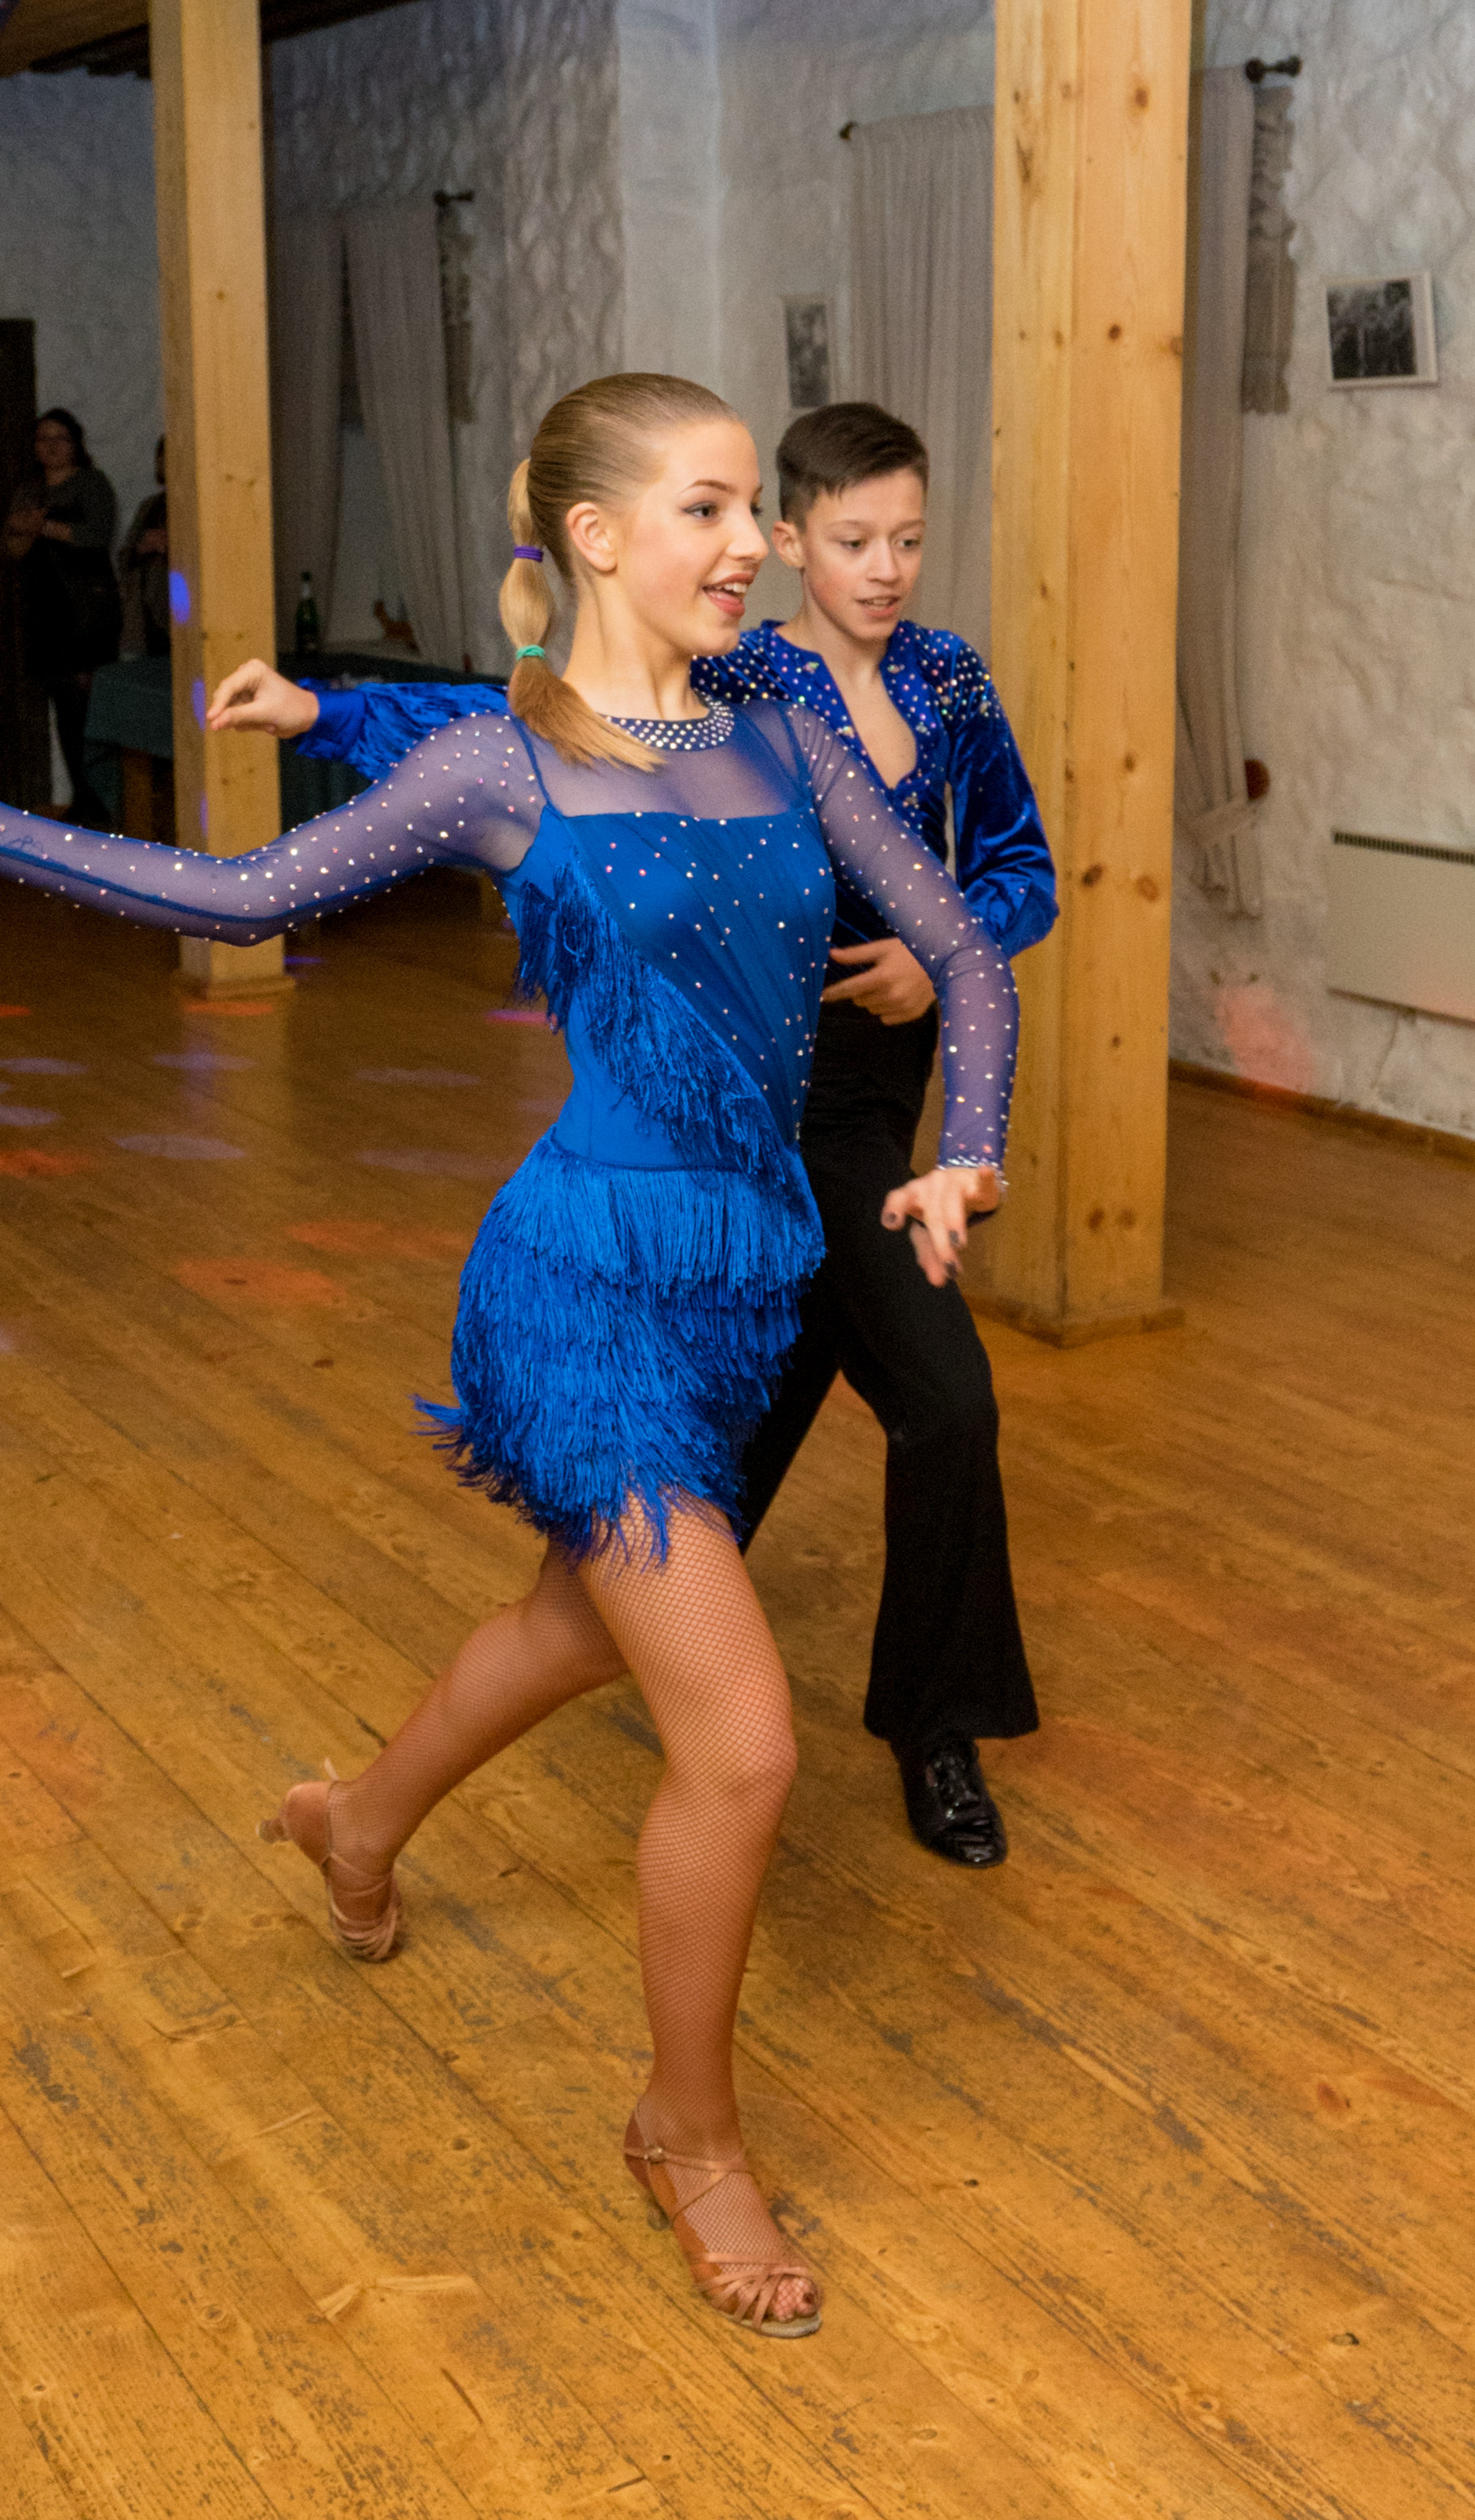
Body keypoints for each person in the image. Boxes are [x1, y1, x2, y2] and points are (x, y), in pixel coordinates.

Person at [0, 374, 1016, 2347]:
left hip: (746, 1277)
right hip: (578, 1290)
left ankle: (355, 1823)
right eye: (711, 509)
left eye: (751, 512)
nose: (752, 547)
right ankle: (686, 2130)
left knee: (573, 1623)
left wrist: (965, 1144)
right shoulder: (496, 763)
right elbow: (234, 896)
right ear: (596, 537)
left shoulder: (787, 724)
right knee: (744, 1742)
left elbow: (958, 944)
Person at [218, 399, 1054, 1871]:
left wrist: (947, 998)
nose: (882, 565)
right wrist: (328, 712)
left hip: (849, 1130)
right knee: (711, 1641)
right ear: (799, 538)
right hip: (698, 1158)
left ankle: (923, 1728)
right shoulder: (742, 666)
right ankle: (666, 1660)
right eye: (849, 537)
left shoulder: (944, 683)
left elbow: (1011, 878)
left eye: (908, 539)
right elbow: (529, 717)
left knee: (890, 1435)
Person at [2, 406, 121, 813]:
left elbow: (96, 535)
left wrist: (44, 527)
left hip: (87, 609)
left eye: (60, 438)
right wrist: (24, 531)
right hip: (45, 609)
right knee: (63, 709)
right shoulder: (29, 490)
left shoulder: (91, 483)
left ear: (75, 443)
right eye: (43, 439)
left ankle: (104, 799)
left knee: (88, 704)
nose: (51, 446)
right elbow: (10, 548)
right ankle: (82, 798)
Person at [117, 435, 169, 663]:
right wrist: (143, 547)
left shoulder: (203, 504)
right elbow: (124, 558)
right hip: (143, 616)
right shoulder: (150, 506)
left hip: (182, 612)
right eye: (164, 458)